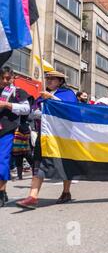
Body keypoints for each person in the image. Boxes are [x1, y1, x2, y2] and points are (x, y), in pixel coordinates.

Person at [16, 71, 77, 210]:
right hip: (44, 135)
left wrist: (52, 98)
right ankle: (33, 196)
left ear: (60, 81)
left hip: (63, 136)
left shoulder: (67, 94)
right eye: (47, 78)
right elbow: (32, 112)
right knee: (38, 162)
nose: (49, 81)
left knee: (64, 163)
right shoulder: (41, 96)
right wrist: (41, 110)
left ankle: (66, 191)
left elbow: (71, 110)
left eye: (52, 79)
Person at [0, 67, 31, 207]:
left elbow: (26, 109)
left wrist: (7, 104)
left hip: (7, 130)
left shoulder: (18, 92)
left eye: (8, 78)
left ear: (13, 78)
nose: (5, 81)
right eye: (2, 78)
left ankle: (1, 191)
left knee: (2, 161)